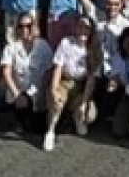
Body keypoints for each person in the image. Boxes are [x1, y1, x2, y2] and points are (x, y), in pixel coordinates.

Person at [40, 12, 99, 153]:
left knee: (90, 114)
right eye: (80, 26)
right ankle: (50, 131)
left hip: (81, 86)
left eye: (87, 28)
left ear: (91, 31)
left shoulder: (94, 49)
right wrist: (54, 89)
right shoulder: (66, 42)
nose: (83, 30)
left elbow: (91, 79)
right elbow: (58, 68)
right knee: (56, 102)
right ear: (75, 28)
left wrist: (84, 103)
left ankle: (78, 118)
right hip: (64, 81)